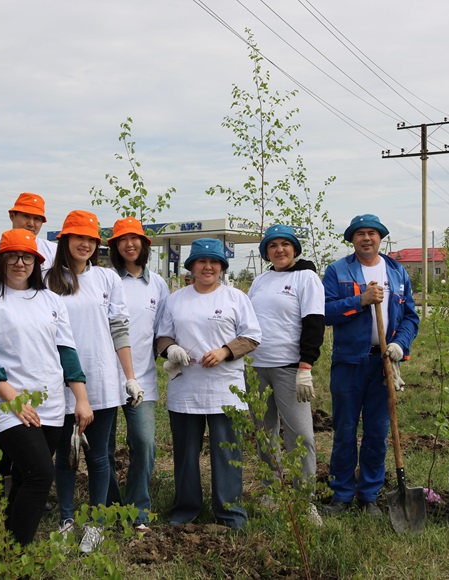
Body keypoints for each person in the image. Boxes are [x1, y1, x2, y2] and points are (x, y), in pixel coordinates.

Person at [0, 228, 93, 545]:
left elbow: (67, 351)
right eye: (13, 256)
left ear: (37, 262)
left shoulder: (50, 300)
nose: (20, 262)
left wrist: (81, 399)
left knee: (23, 477)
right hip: (7, 404)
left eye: (27, 257)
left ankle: (7, 540)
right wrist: (14, 400)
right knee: (39, 475)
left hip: (49, 404)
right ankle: (16, 556)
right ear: (0, 260)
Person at [45, 210, 141, 552]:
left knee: (99, 456)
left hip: (100, 379)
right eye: (78, 237)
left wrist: (130, 377)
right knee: (65, 455)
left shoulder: (106, 280)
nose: (84, 244)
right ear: (65, 241)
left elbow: (119, 329)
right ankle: (67, 519)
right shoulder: (46, 279)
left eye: (90, 239)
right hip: (58, 381)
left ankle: (96, 524)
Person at [155, 238, 261, 529]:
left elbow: (252, 336)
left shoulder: (235, 298)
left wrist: (225, 351)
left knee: (227, 452)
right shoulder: (175, 299)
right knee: (186, 453)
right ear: (191, 266)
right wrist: (171, 350)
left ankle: (230, 513)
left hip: (225, 389)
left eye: (214, 262)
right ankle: (185, 509)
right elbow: (162, 336)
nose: (208, 267)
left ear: (222, 267)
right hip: (185, 389)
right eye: (202, 261)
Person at [322, 214, 419, 517]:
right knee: (345, 430)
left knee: (378, 431)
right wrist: (359, 301)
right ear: (352, 239)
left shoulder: (397, 272)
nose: (366, 238)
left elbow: (410, 317)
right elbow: (324, 312)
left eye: (372, 233)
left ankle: (369, 495)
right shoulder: (338, 271)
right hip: (349, 362)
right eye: (360, 233)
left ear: (381, 238)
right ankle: (341, 495)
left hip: (384, 363)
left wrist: (399, 345)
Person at [247, 225, 325, 526]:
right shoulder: (261, 280)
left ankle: (305, 501)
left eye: (285, 244)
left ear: (295, 248)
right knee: (265, 434)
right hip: (257, 367)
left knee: (301, 435)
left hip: (290, 367)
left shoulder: (306, 278)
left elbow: (314, 322)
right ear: (266, 251)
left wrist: (306, 366)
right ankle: (271, 490)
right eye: (273, 245)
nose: (279, 250)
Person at [104, 216, 169, 533]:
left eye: (135, 239)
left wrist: (171, 354)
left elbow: (162, 332)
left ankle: (137, 510)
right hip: (102, 378)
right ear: (114, 246)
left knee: (144, 443)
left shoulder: (157, 285)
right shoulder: (103, 280)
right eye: (122, 239)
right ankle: (110, 505)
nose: (130, 244)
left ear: (145, 244)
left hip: (140, 378)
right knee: (102, 449)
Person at [0, 192, 57, 290]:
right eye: (26, 216)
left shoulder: (53, 249)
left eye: (37, 219)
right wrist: (6, 268)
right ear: (12, 216)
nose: (31, 223)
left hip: (40, 304)